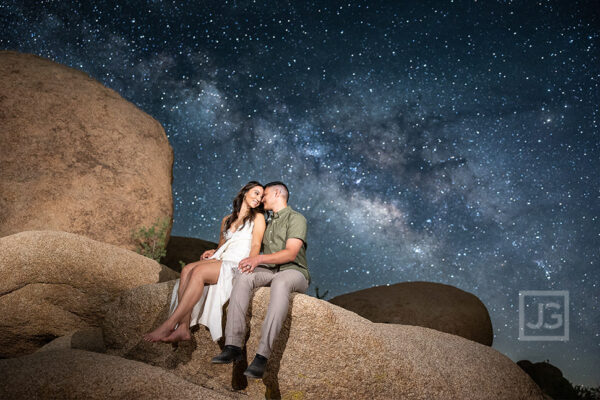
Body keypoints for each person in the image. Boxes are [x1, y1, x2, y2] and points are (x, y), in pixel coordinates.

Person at [143, 181, 266, 343]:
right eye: (256, 193)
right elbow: (223, 246)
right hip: (223, 259)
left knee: (199, 272)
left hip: (238, 263)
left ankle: (169, 324)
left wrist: (251, 262)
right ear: (245, 192)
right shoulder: (227, 220)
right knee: (187, 269)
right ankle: (183, 327)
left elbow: (256, 243)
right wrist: (213, 252)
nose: (259, 198)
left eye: (262, 196)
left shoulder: (258, 218)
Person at [211, 181, 310, 379]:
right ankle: (233, 345)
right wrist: (217, 252)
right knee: (244, 276)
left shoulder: (296, 218)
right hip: (270, 270)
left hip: (294, 271)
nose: (261, 199)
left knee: (281, 283)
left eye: (264, 195)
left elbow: (290, 254)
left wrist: (258, 259)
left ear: (276, 194)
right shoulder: (267, 221)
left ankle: (262, 356)